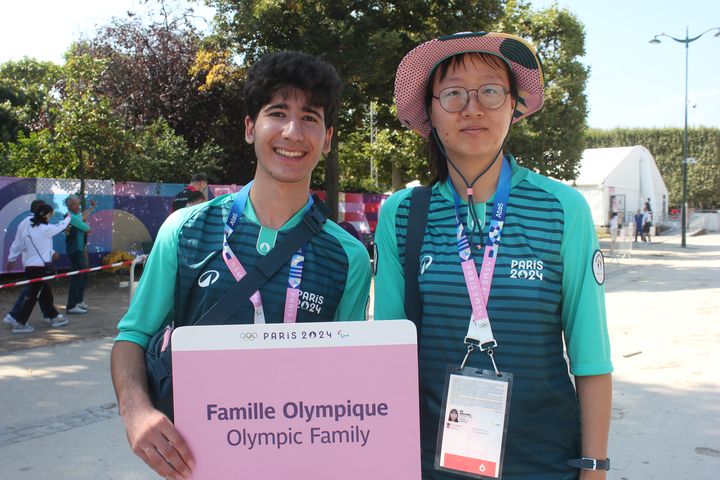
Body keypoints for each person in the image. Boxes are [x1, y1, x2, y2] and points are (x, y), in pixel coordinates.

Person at [111, 50, 371, 479]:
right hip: (195, 462)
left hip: (299, 461)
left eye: (310, 117)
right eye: (277, 113)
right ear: (251, 128)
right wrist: (135, 411)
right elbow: (133, 337)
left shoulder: (349, 256)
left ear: (326, 139)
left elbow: (346, 373)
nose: (292, 131)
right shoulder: (186, 228)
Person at [375, 32, 613, 479]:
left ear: (513, 105)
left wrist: (595, 467)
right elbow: (388, 355)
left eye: (489, 90)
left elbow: (591, 355)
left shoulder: (563, 208)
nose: (472, 107)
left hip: (543, 461)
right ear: (428, 111)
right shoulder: (401, 214)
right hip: (429, 462)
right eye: (452, 93)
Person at [11, 204, 71, 333]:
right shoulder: (46, 229)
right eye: (51, 214)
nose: (51, 216)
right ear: (47, 215)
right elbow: (61, 226)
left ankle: (52, 316)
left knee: (45, 293)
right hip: (39, 268)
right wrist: (68, 218)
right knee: (32, 297)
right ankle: (20, 323)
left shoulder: (29, 229)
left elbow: (22, 246)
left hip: (30, 267)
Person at [3, 200, 59, 328]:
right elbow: (33, 243)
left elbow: (20, 242)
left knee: (41, 287)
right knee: (33, 289)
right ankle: (15, 315)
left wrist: (12, 258)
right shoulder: (30, 223)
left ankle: (51, 315)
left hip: (34, 261)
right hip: (34, 261)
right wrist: (52, 252)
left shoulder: (30, 222)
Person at [65, 195, 96, 314]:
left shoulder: (74, 216)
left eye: (78, 203)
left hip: (80, 249)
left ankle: (78, 301)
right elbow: (87, 228)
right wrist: (86, 227)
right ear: (70, 205)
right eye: (76, 204)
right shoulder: (70, 217)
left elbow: (82, 216)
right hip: (75, 250)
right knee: (77, 276)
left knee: (83, 274)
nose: (78, 206)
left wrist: (92, 208)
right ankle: (71, 305)